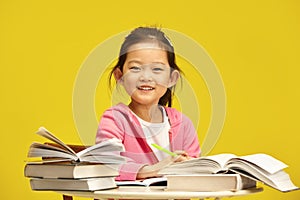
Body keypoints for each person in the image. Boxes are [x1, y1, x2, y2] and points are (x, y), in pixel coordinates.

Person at [96, 26, 200, 181]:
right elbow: (108, 164)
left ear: (172, 78)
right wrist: (154, 169)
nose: (145, 77)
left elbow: (197, 173)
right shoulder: (115, 119)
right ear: (120, 76)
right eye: (135, 68)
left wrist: (190, 167)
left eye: (157, 69)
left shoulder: (183, 124)